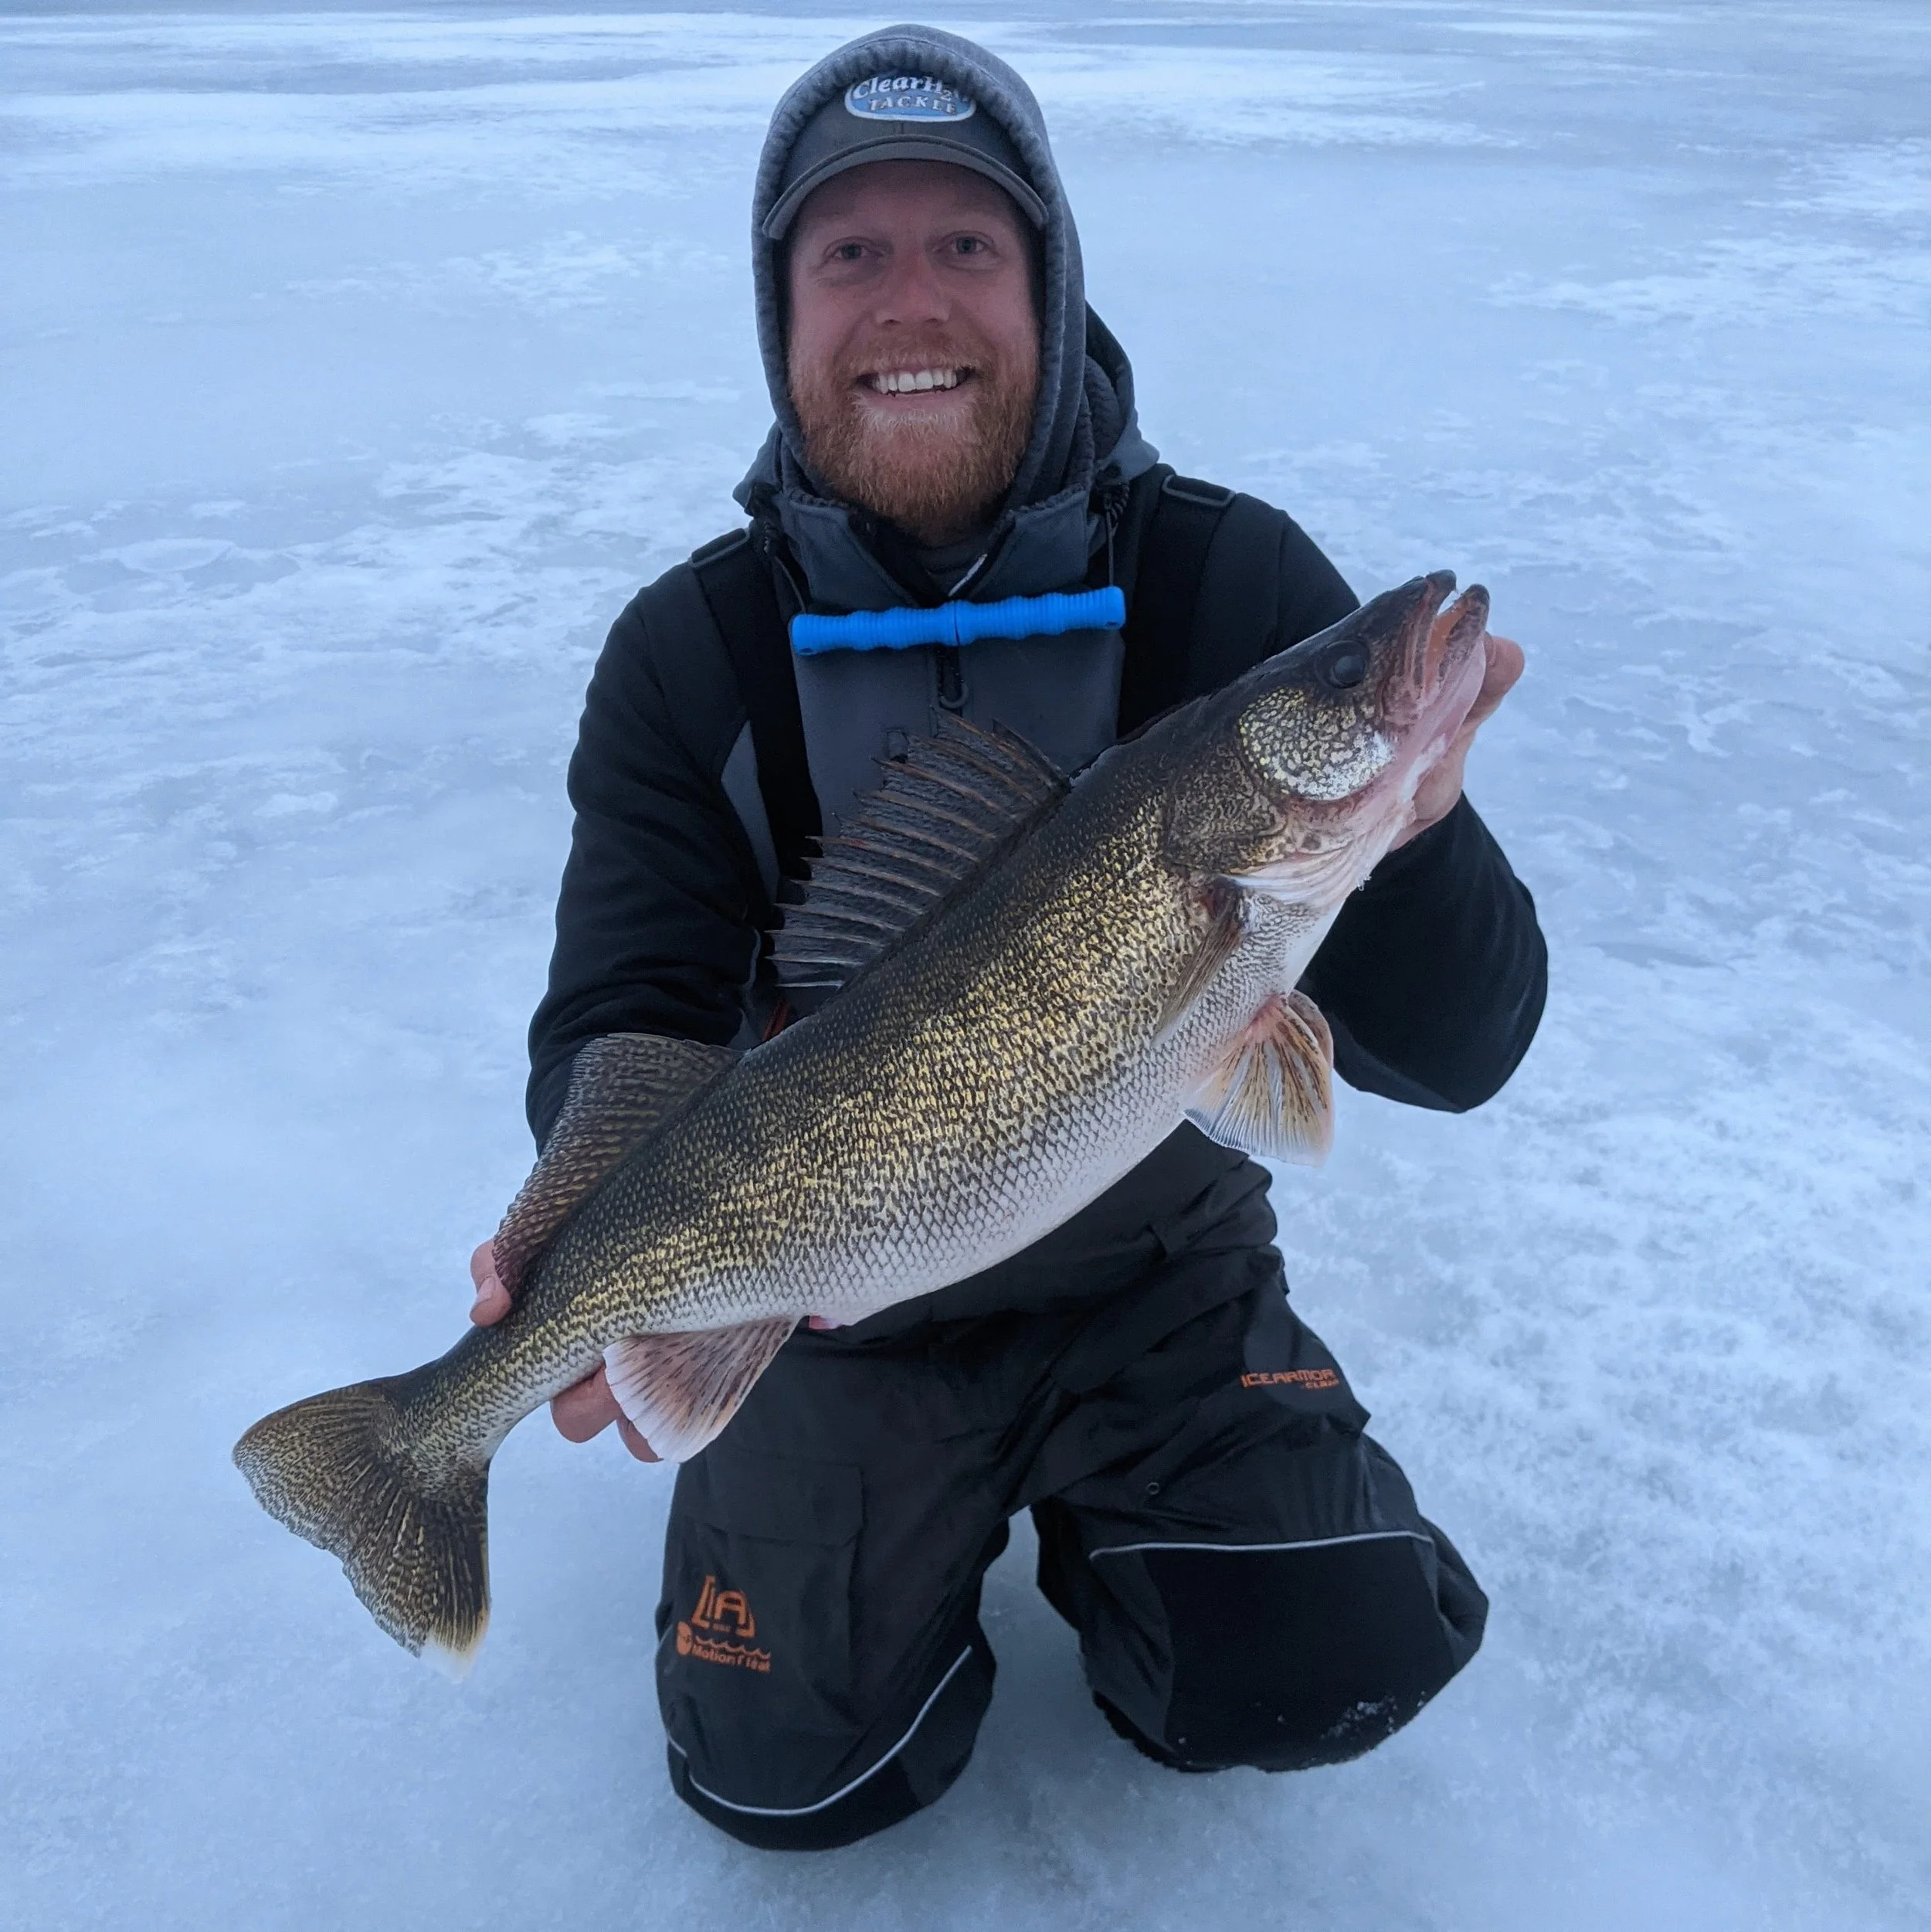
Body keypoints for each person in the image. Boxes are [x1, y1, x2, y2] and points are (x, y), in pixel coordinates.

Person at [470, 25, 1546, 1850]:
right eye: (850, 253)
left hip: (1154, 1272)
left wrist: (1411, 825)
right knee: (785, 1776)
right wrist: (582, 1233)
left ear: (1046, 286)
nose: (911, 300)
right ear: (781, 311)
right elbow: (626, 1006)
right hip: (830, 1295)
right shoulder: (688, 652)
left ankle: (1135, 1530)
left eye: (965, 244)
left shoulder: (1225, 582)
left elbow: (1467, 1046)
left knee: (1321, 1650)